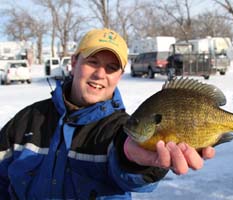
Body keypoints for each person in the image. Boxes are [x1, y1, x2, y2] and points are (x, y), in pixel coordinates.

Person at [0, 28, 215, 199]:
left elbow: (124, 167)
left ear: (120, 75)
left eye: (111, 67)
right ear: (74, 63)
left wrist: (135, 161)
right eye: (92, 62)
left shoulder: (120, 130)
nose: (100, 74)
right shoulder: (27, 120)